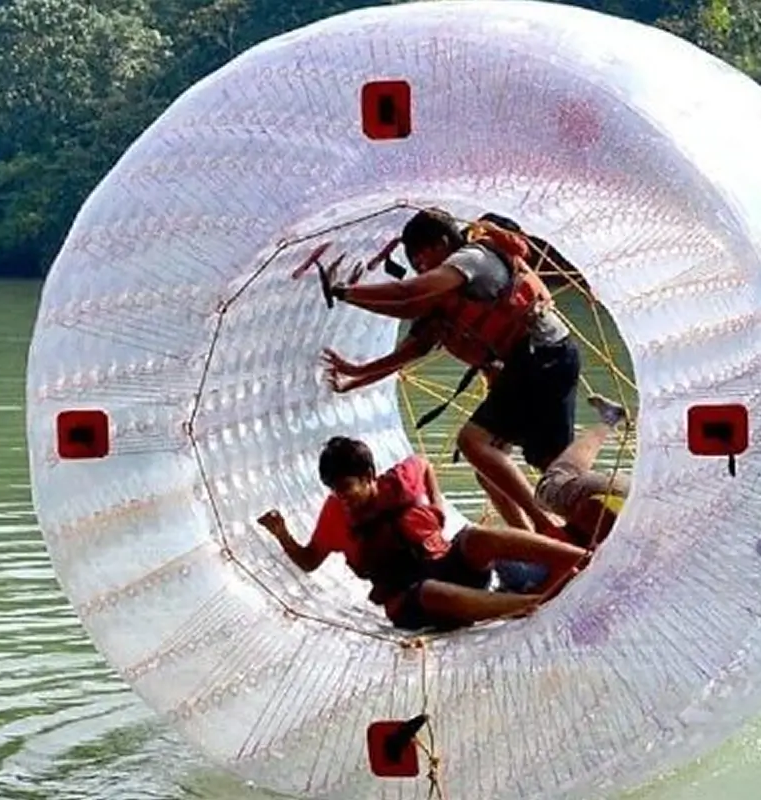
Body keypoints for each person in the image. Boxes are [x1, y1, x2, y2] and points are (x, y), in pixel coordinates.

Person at [321, 208, 582, 540]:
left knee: (474, 443)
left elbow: (408, 295)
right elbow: (412, 345)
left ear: (443, 243)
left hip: (542, 356)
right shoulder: (445, 300)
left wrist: (344, 292)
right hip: (537, 362)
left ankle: (549, 530)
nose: (421, 269)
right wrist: (355, 375)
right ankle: (543, 541)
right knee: (514, 469)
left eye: (422, 260)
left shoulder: (474, 258)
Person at [257, 436, 589, 632]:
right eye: (333, 489)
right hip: (411, 602)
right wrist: (281, 533)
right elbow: (309, 561)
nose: (341, 497)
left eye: (346, 488)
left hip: (450, 568)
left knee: (474, 537)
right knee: (429, 590)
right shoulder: (335, 514)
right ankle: (527, 605)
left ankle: (584, 559)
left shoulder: (400, 480)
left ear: (369, 476)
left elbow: (424, 463)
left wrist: (438, 506)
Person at [534, 394, 633, 547]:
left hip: (634, 497)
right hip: (635, 504)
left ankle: (609, 419)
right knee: (552, 492)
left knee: (550, 488)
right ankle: (609, 419)